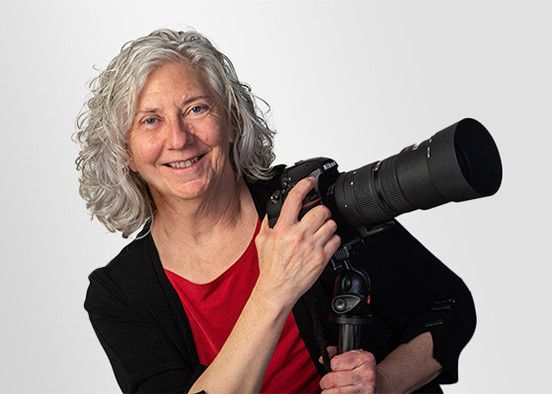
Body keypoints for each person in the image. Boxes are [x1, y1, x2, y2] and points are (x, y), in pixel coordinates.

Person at [75, 28, 476, 393]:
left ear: (232, 121)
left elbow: (449, 306)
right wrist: (274, 290)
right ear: (125, 152)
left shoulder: (306, 202)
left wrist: (386, 382)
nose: (178, 138)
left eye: (196, 109)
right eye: (150, 120)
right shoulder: (120, 294)